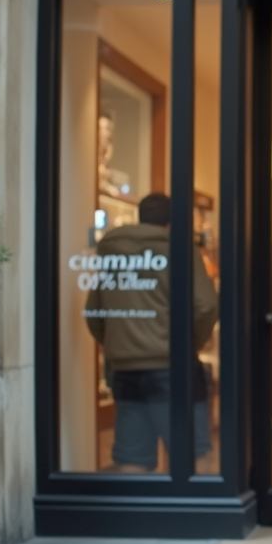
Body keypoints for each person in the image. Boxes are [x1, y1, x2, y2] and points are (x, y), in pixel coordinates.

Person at [84, 193, 219, 472]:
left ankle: (138, 516)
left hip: (124, 370)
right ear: (171, 223)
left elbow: (95, 311)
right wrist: (188, 343)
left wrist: (119, 344)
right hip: (173, 368)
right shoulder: (181, 249)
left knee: (133, 461)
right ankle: (196, 517)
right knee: (195, 459)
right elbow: (206, 305)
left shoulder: (113, 251)